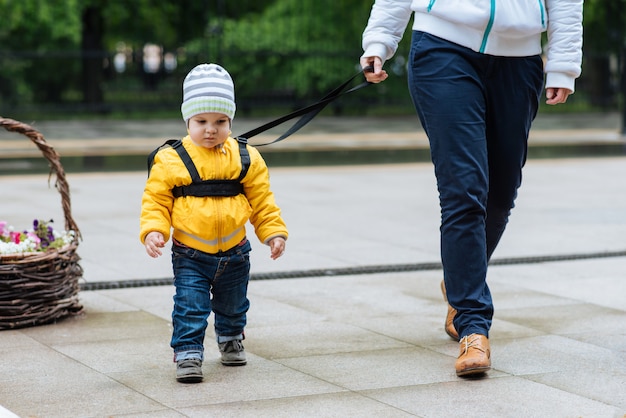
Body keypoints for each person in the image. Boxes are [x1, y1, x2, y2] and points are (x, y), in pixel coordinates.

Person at [360, 1, 582, 376]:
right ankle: (474, 327)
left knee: (501, 194)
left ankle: (461, 279)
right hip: (442, 48)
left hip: (520, 59)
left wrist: (563, 63)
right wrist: (380, 41)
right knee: (464, 190)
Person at [140, 63, 288, 383]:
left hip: (236, 251)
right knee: (190, 306)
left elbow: (262, 199)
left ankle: (231, 336)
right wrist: (154, 230)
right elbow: (156, 200)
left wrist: (273, 232)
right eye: (201, 121)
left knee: (233, 304)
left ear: (231, 120)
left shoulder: (246, 157)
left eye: (220, 121)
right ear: (187, 120)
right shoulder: (171, 158)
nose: (210, 129)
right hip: (191, 253)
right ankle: (189, 352)